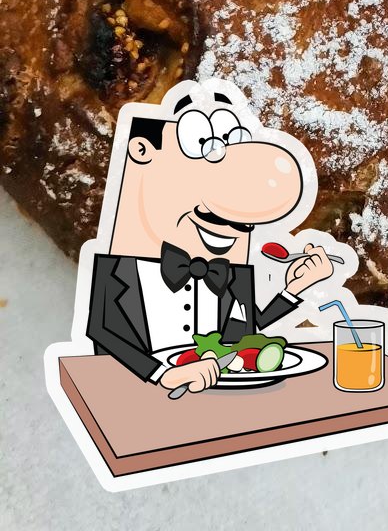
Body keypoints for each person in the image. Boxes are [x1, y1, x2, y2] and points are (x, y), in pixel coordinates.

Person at [86, 88, 335, 393]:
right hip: (133, 402)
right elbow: (105, 333)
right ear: (141, 151)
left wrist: (294, 288)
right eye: (203, 146)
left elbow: (247, 333)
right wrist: (161, 375)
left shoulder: (230, 273)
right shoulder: (117, 270)